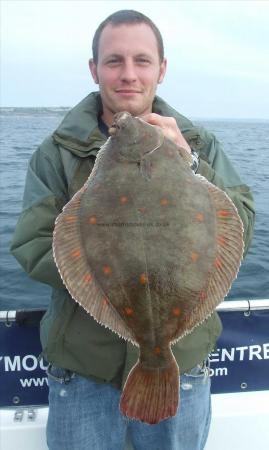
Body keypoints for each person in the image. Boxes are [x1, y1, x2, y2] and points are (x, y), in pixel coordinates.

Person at [11, 9, 255, 450]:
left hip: (182, 369)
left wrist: (191, 163)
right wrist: (100, 260)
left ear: (162, 69)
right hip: (84, 373)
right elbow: (30, 244)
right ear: (94, 69)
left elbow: (242, 226)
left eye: (142, 61)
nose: (128, 75)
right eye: (114, 61)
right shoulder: (57, 152)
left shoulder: (200, 145)